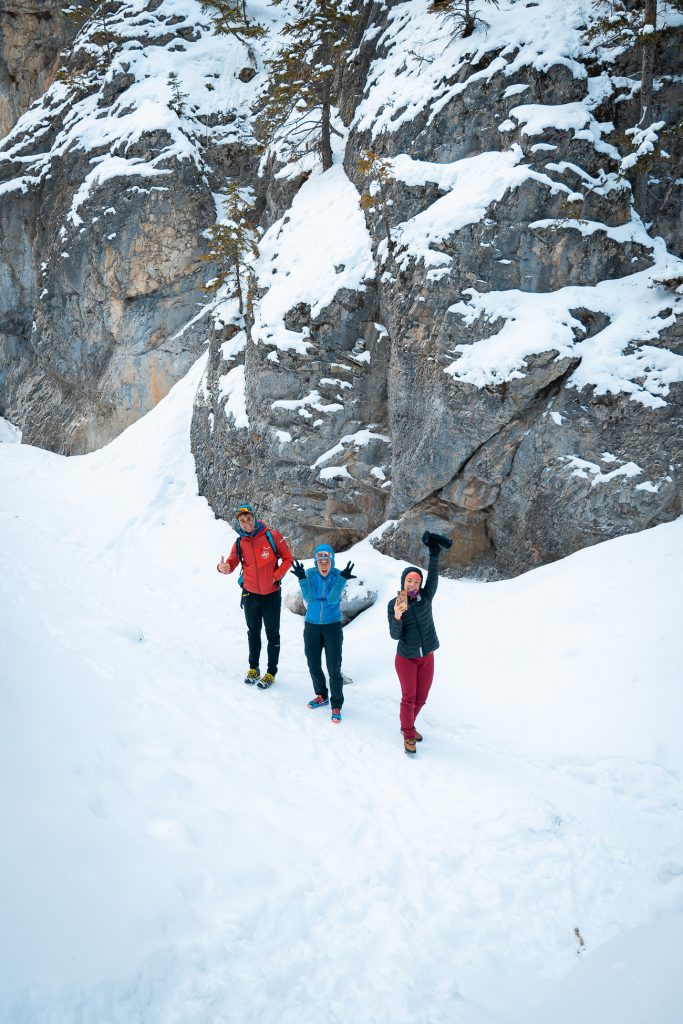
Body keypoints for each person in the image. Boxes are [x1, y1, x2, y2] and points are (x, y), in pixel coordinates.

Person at [387, 531, 451, 754]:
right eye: (409, 580)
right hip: (406, 658)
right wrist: (397, 615)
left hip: (427, 657)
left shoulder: (426, 596)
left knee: (421, 699)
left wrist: (434, 553)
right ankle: (408, 734)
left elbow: (433, 575)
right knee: (409, 698)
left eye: (416, 580)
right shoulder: (395, 603)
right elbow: (395, 635)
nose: (413, 584)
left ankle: (408, 727)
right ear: (403, 582)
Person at [217, 503, 294, 688]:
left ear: (255, 517)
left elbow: (289, 558)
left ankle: (271, 672)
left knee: (273, 634)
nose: (246, 523)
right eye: (242, 521)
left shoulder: (272, 536)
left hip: (271, 595)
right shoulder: (239, 542)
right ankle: (253, 668)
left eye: (248, 519)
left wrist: (275, 576)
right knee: (253, 633)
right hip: (250, 595)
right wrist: (222, 568)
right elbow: (231, 564)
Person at [291, 544, 356, 724]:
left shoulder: (337, 575)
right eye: (321, 561)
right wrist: (303, 579)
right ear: (316, 562)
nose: (324, 565)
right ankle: (321, 695)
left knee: (334, 667)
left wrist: (342, 580)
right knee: (313, 664)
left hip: (332, 626)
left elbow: (334, 599)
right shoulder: (311, 574)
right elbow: (310, 599)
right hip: (312, 626)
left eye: (327, 561)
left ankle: (336, 704)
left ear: (332, 561)